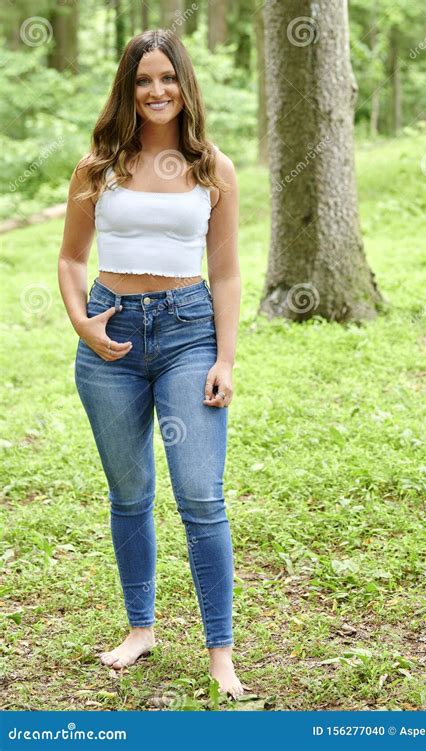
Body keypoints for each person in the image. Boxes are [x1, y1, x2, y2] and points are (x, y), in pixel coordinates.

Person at [57, 29, 244, 699]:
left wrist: (224, 356)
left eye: (167, 77)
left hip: (188, 332)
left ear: (184, 84)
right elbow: (71, 258)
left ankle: (220, 651)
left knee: (200, 494)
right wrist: (82, 321)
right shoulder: (99, 164)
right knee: (130, 493)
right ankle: (141, 628)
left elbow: (223, 272)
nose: (157, 90)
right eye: (143, 80)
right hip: (110, 339)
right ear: (127, 89)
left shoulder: (211, 167)